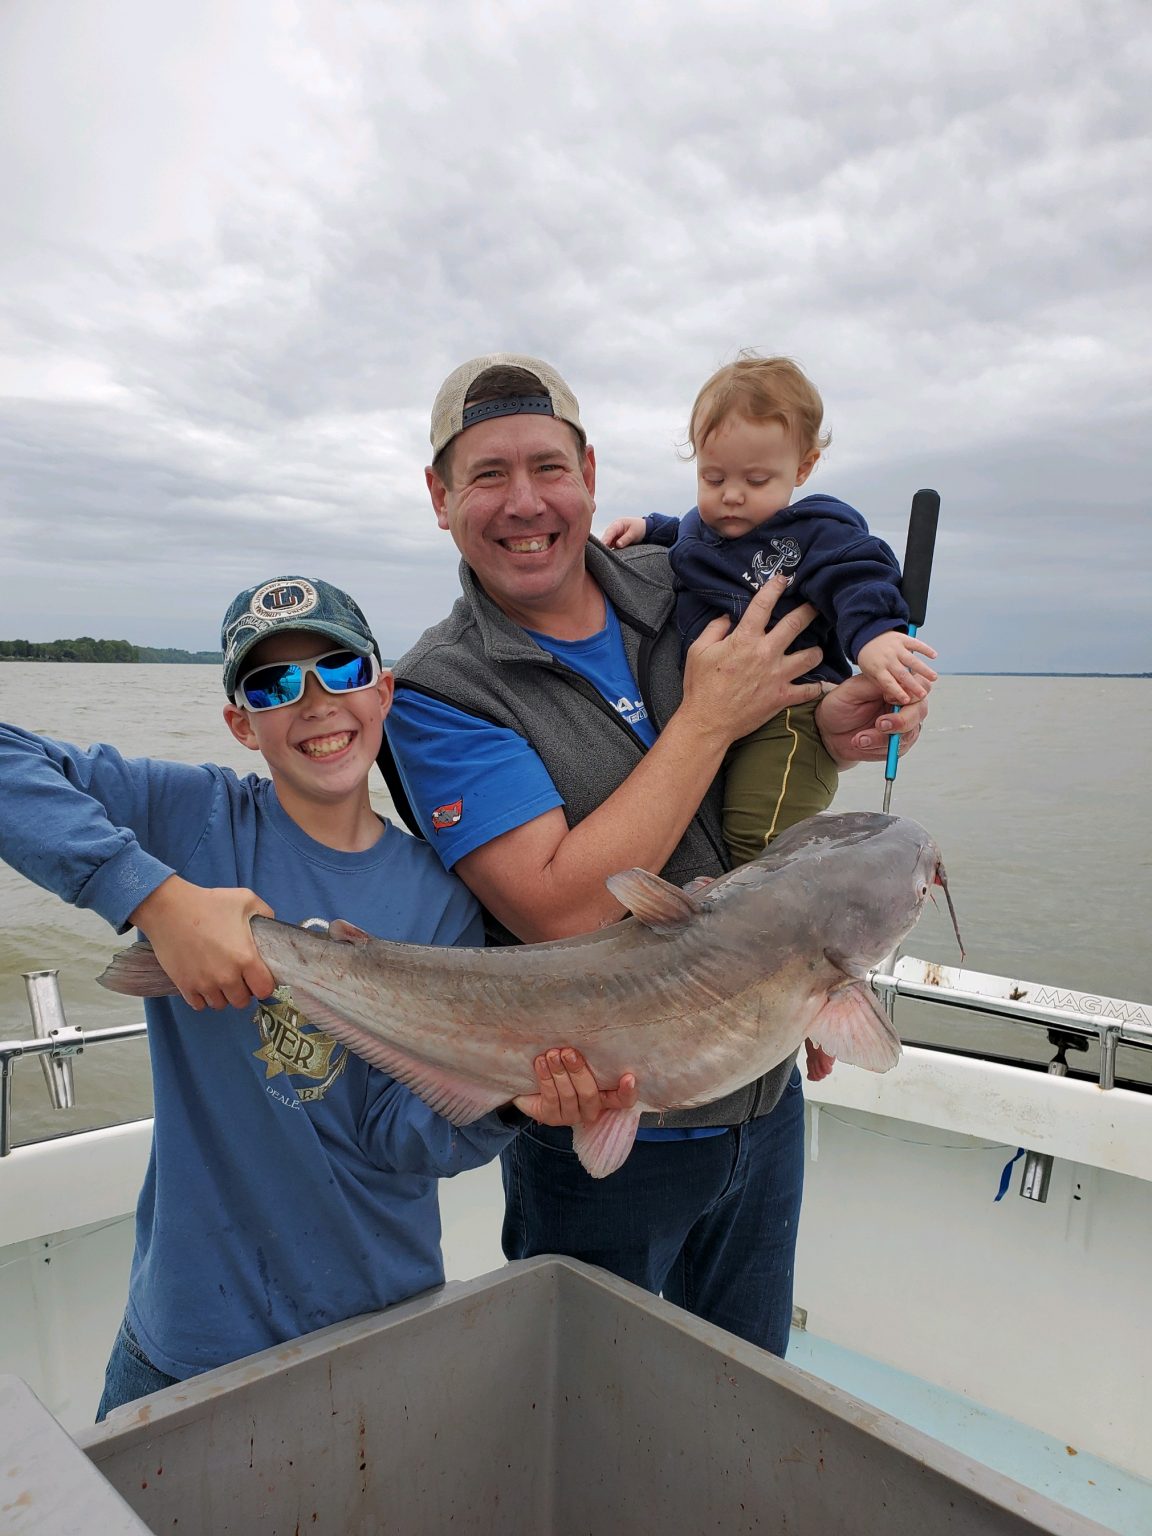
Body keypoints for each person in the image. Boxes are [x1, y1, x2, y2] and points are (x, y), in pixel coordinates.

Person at [378, 353, 930, 1357]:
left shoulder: (685, 579)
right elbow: (556, 906)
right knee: (589, 1418)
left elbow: (766, 773)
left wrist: (836, 724)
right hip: (603, 1127)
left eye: (549, 467)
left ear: (591, 472)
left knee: (746, 1395)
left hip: (764, 1114)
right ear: (439, 496)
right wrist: (710, 718)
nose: (525, 502)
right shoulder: (438, 692)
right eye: (487, 474)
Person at [0, 574, 635, 1418]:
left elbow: (396, 1134)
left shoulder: (441, 897)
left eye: (338, 670)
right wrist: (158, 900)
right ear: (241, 723)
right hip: (189, 1339)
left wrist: (509, 1105)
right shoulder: (190, 818)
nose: (313, 701)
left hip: (379, 1323)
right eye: (271, 684)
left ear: (383, 688)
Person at [600, 353, 938, 863]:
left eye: (755, 482)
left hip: (791, 713)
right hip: (717, 707)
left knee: (763, 836)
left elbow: (856, 575)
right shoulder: (705, 526)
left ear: (802, 468)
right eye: (713, 479)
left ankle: (752, 907)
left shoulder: (813, 533)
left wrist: (874, 636)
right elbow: (686, 533)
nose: (731, 497)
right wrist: (648, 527)